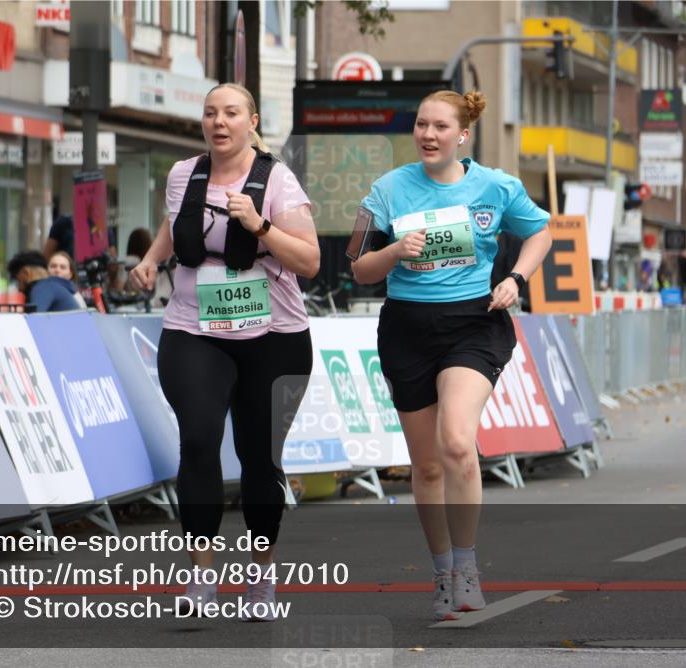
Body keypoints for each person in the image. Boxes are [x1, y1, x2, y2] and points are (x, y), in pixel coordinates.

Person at [350, 90, 553, 621]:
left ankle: (467, 567)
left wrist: (516, 277)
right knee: (426, 464)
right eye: (421, 125)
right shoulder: (387, 190)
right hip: (406, 328)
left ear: (462, 135)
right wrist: (395, 250)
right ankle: (441, 571)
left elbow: (540, 232)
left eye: (440, 126)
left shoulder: (496, 186)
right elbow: (358, 266)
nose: (429, 135)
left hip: (473, 324)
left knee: (458, 443)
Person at [129, 82, 320, 621]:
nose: (219, 122)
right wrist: (150, 259)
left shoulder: (276, 179)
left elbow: (308, 262)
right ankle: (201, 578)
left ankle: (260, 577)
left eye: (231, 113)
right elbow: (177, 222)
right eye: (211, 113)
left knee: (260, 460)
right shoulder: (183, 173)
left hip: (274, 337)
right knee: (198, 441)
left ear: (251, 120)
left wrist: (257, 224)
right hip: (194, 329)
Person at [7, 250, 81, 312]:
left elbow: (34, 320)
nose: (19, 288)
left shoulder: (42, 287)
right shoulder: (51, 286)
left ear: (26, 273)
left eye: (17, 280)